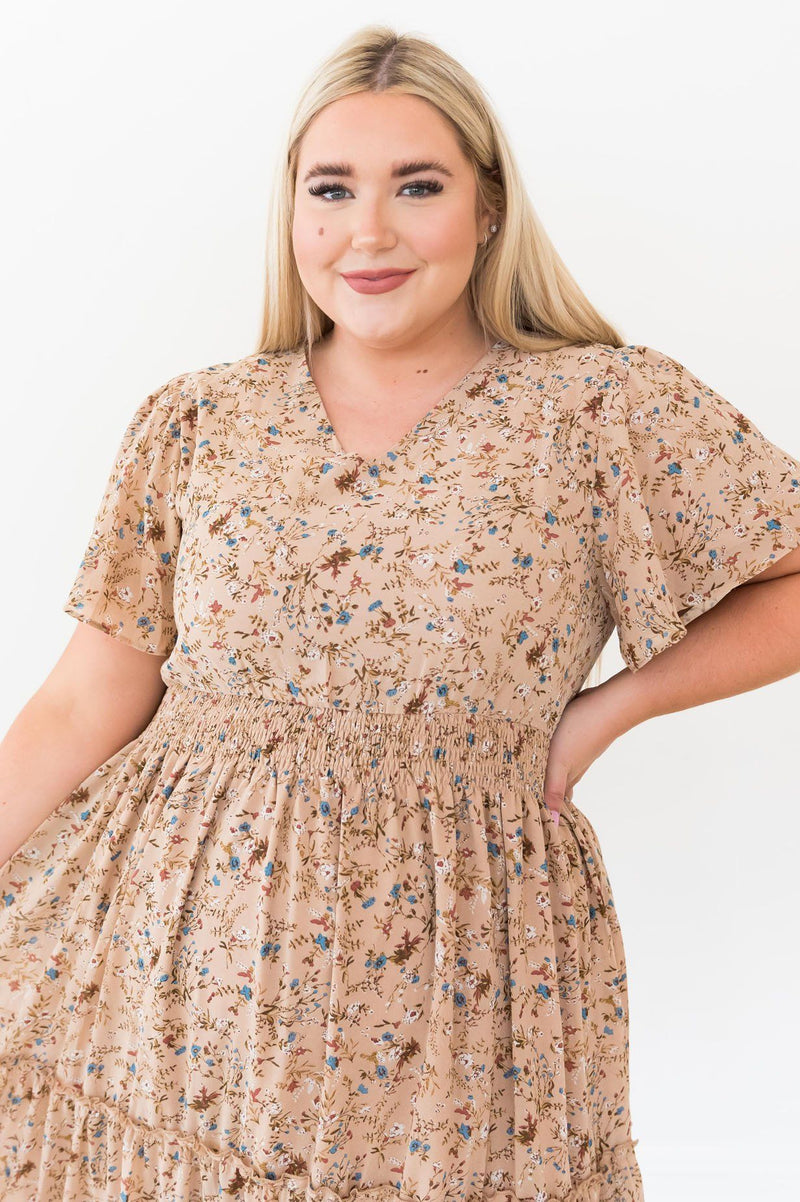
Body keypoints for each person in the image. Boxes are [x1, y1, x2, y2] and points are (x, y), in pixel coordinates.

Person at [1, 23, 799, 1202]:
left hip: (462, 979)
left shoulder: (599, 409)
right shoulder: (199, 420)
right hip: (177, 966)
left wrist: (608, 708)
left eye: (415, 186)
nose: (365, 232)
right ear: (291, 212)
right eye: (330, 189)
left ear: (486, 206)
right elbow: (82, 703)